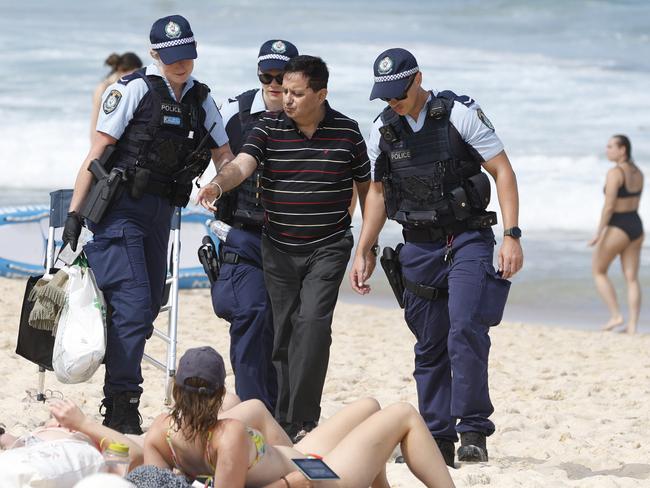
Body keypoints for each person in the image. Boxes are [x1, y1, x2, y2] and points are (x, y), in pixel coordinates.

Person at [349, 48, 523, 466]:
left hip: (468, 239)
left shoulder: (459, 114)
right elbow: (376, 193)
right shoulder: (383, 131)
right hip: (418, 246)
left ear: (418, 79)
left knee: (464, 330)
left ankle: (473, 431)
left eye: (399, 93)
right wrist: (365, 247)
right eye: (386, 95)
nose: (393, 102)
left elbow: (503, 170)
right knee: (429, 345)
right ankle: (438, 437)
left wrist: (512, 236)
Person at [62, 14, 234, 435]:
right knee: (137, 305)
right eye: (172, 57)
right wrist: (74, 214)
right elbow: (97, 152)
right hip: (121, 212)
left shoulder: (202, 99)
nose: (182, 64)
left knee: (147, 303)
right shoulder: (133, 89)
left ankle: (118, 391)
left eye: (188, 56)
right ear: (155, 54)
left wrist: (218, 186)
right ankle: (121, 405)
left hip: (161, 216)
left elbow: (224, 157)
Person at [196, 55, 373, 442]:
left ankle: (304, 419)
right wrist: (217, 185)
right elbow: (242, 164)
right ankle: (283, 419)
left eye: (295, 92)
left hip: (327, 246)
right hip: (277, 246)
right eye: (284, 91)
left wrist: (366, 246)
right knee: (282, 336)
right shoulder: (268, 127)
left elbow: (369, 191)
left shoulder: (347, 132)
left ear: (321, 94)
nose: (285, 99)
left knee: (311, 326)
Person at [144, 346, 455, 488]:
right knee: (403, 414)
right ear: (220, 393)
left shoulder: (161, 432)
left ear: (176, 390)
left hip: (303, 459)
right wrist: (288, 483)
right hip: (320, 478)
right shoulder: (228, 435)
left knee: (369, 406)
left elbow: (155, 484)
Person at [210, 39, 299, 413]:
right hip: (242, 234)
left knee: (288, 331)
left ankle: (283, 416)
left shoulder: (313, 114)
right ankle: (252, 409)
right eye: (267, 75)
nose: (274, 83)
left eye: (282, 76)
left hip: (293, 241)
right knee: (250, 316)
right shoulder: (234, 112)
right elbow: (200, 154)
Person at [589, 135, 644, 334]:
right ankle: (632, 326)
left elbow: (609, 205)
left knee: (598, 270)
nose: (607, 149)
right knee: (631, 278)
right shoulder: (638, 172)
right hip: (636, 226)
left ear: (623, 150)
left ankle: (616, 316)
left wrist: (599, 232)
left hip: (618, 225)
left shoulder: (615, 172)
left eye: (611, 146)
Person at [91, 52, 143, 140]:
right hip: (104, 139)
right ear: (121, 69)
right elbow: (95, 122)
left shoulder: (127, 87)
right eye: (134, 72)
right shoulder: (104, 88)